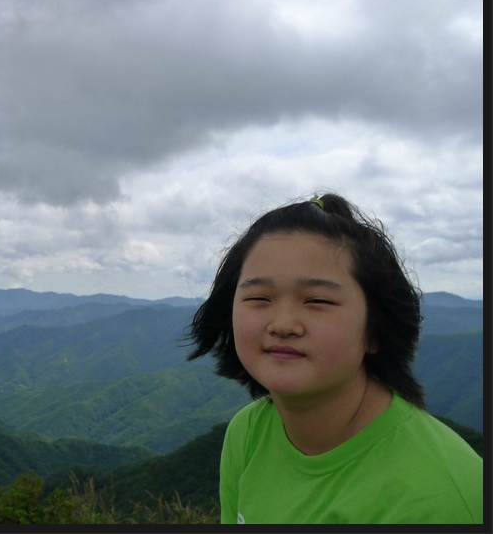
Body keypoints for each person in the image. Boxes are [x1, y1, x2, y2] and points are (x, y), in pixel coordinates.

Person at [185, 193, 483, 524]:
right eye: (258, 297)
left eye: (318, 301)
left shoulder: (439, 500)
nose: (282, 324)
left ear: (375, 330)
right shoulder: (248, 433)